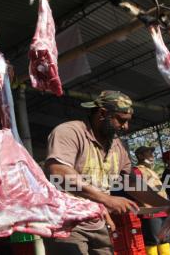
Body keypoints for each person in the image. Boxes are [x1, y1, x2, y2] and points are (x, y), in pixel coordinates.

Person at [43, 90, 139, 255]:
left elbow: (131, 183)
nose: (126, 127)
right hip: (67, 223)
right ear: (103, 113)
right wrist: (107, 199)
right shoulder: (70, 132)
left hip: (99, 223)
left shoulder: (117, 146)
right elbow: (58, 172)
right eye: (121, 120)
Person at [133, 146, 170, 255]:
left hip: (162, 210)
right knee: (152, 241)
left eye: (152, 153)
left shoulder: (151, 171)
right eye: (148, 153)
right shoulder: (136, 171)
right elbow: (136, 190)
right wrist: (145, 207)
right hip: (150, 212)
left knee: (165, 239)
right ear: (140, 156)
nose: (152, 155)